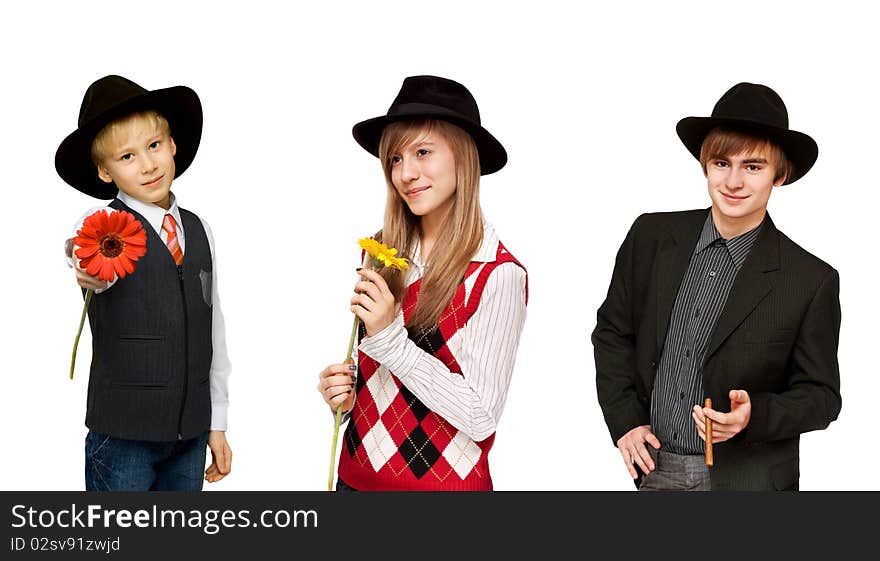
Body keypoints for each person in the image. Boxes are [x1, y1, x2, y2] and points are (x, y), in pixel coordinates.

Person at [592, 82, 841, 491]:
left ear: (779, 175)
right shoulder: (651, 237)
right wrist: (625, 422)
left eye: (753, 166)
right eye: (722, 163)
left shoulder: (810, 280)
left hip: (749, 481)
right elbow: (613, 334)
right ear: (705, 165)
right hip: (655, 471)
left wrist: (752, 416)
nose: (734, 181)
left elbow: (821, 397)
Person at [317, 75, 528, 491]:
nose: (406, 173)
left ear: (463, 158)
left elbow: (480, 416)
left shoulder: (496, 273)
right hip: (354, 479)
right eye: (395, 158)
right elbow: (381, 376)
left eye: (423, 152)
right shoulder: (379, 250)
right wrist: (343, 391)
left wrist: (389, 338)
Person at [56, 75, 232, 491]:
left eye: (154, 146)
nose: (149, 165)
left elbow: (214, 330)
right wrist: (85, 266)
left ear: (173, 145)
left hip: (189, 435)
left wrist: (217, 421)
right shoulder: (99, 225)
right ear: (104, 171)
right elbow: (85, 258)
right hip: (123, 438)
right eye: (127, 156)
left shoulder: (200, 229)